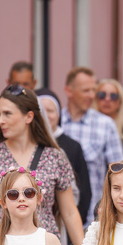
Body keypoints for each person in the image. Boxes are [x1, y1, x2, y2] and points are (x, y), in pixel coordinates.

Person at [0, 84, 84, 245]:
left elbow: (69, 212)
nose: (1, 120)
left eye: (7, 113)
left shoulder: (54, 156)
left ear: (29, 116)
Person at [62, 67, 123, 226]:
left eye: (93, 90)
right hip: (58, 220)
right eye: (86, 90)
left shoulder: (104, 124)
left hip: (92, 218)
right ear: (69, 91)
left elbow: (120, 171)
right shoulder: (56, 123)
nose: (92, 95)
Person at [36, 88, 91, 234]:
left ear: (59, 115)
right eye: (41, 109)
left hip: (64, 225)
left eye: (50, 110)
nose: (45, 115)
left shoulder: (71, 146)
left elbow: (84, 188)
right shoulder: (27, 145)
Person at [0, 61, 37, 143]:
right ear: (8, 83)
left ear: (34, 84)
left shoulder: (42, 112)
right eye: (16, 84)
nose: (21, 89)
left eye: (26, 84)